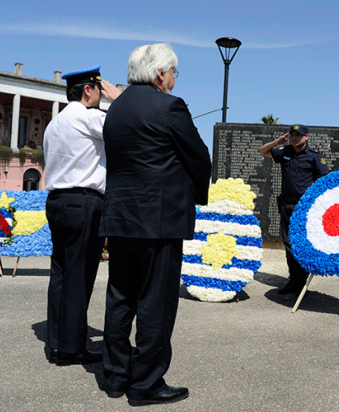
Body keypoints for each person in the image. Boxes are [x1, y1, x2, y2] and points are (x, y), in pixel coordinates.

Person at [99, 43, 211, 406]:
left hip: (119, 218)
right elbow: (198, 156)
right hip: (159, 221)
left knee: (120, 297)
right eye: (174, 72)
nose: (175, 79)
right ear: (160, 74)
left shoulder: (115, 109)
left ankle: (115, 375)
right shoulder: (169, 107)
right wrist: (193, 196)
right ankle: (146, 383)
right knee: (155, 303)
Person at [43, 65, 120, 366]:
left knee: (60, 273)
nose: (102, 95)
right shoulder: (89, 117)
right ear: (88, 90)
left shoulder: (55, 123)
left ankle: (56, 342)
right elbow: (125, 128)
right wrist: (119, 101)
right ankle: (72, 348)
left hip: (58, 200)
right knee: (80, 275)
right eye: (100, 89)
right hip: (84, 202)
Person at [259, 124, 328, 295]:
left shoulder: (314, 156)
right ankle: (294, 280)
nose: (295, 138)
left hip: (304, 207)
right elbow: (262, 151)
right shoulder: (285, 152)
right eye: (292, 135)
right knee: (289, 245)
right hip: (286, 205)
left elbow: (323, 181)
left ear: (307, 137)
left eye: (299, 135)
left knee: (301, 245)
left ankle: (300, 281)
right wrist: (278, 141)